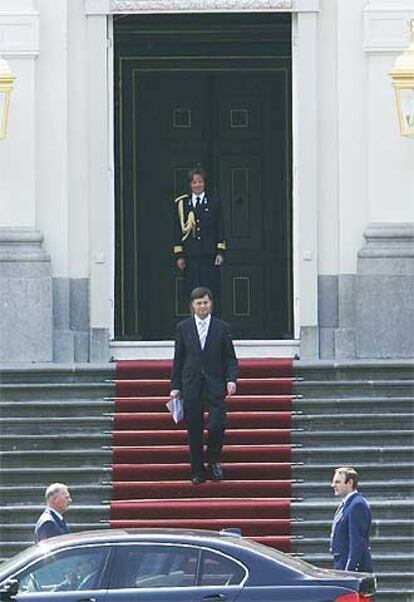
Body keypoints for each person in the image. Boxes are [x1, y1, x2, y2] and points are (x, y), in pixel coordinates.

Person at [170, 286, 238, 485]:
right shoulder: (183, 328)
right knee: (194, 428)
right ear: (192, 305)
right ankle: (197, 469)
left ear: (211, 304)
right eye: (199, 303)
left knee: (218, 424)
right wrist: (175, 386)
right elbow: (178, 359)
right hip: (191, 384)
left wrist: (231, 379)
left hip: (215, 383)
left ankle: (213, 460)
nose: (202, 306)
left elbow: (230, 358)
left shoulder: (222, 327)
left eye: (206, 302)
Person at [173, 167, 226, 313]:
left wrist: (220, 251)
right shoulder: (182, 204)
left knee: (210, 289)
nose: (197, 185)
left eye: (200, 182)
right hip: (190, 256)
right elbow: (177, 230)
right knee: (192, 290)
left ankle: (211, 322)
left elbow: (219, 227)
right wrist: (179, 255)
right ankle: (193, 322)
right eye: (194, 182)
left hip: (209, 254)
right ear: (190, 184)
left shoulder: (214, 202)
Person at [330, 466, 373, 572]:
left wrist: (349, 571)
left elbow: (357, 541)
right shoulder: (346, 504)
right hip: (341, 563)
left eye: (338, 482)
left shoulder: (357, 505)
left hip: (349, 567)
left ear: (350, 483)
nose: (333, 485)